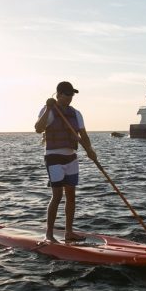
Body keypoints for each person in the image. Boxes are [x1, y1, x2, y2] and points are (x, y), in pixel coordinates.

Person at [34, 81, 98, 242]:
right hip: (53, 157)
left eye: (72, 95)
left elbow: (83, 135)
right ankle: (49, 234)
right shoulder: (48, 110)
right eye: (67, 94)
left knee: (71, 196)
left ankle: (69, 232)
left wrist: (90, 150)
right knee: (57, 195)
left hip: (71, 157)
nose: (70, 98)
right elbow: (38, 128)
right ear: (59, 94)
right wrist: (49, 108)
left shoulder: (76, 113)